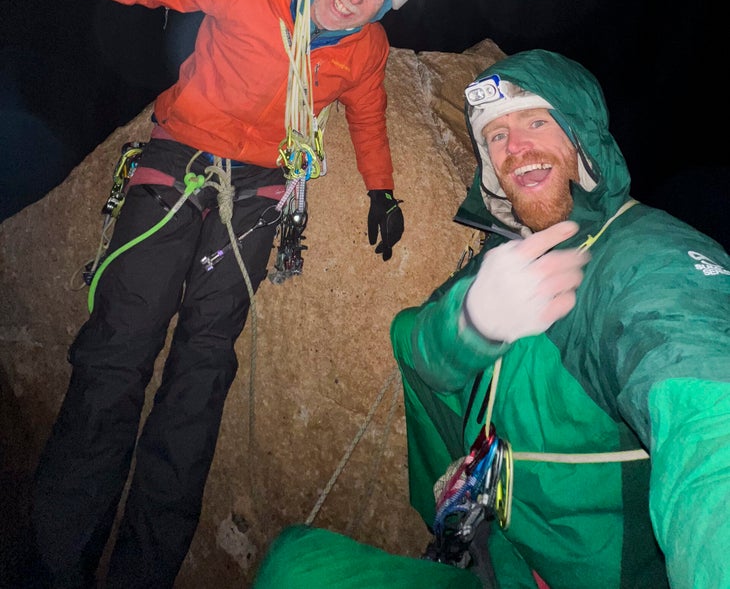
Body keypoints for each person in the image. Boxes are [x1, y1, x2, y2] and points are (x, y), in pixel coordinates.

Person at [29, 0, 430, 589]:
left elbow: (368, 112)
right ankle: (55, 563)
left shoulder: (365, 48)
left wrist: (382, 189)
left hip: (260, 193)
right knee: (119, 350)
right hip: (179, 159)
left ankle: (141, 574)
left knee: (202, 374)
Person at [251, 49, 730, 589]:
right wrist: (471, 327)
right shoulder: (496, 263)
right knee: (293, 565)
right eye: (496, 136)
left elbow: (707, 414)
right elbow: (411, 341)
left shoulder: (641, 258)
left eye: (536, 121)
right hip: (494, 562)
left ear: (582, 137)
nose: (516, 147)